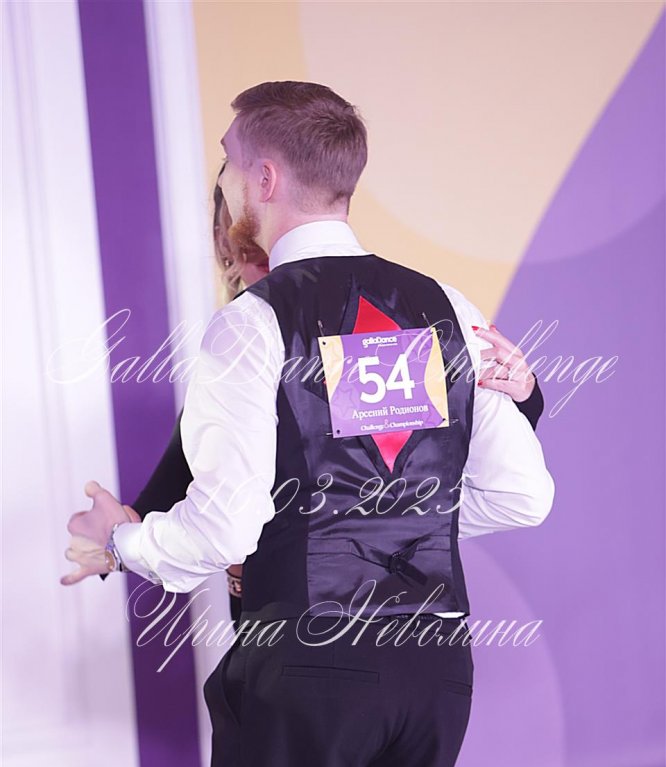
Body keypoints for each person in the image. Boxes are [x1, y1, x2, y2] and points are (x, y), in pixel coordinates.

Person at [62, 81, 554, 767]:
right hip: (433, 670)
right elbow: (524, 495)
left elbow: (226, 524)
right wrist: (389, 517)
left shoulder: (254, 324)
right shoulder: (444, 304)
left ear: (265, 176)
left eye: (226, 161)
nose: (222, 178)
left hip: (308, 674)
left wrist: (121, 544)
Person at [97, 163, 544, 631]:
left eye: (268, 251)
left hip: (338, 626)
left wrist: (525, 394)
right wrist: (113, 542)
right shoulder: (240, 361)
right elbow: (164, 509)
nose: (269, 267)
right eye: (247, 255)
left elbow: (437, 456)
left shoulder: (378, 333)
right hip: (283, 626)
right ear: (228, 254)